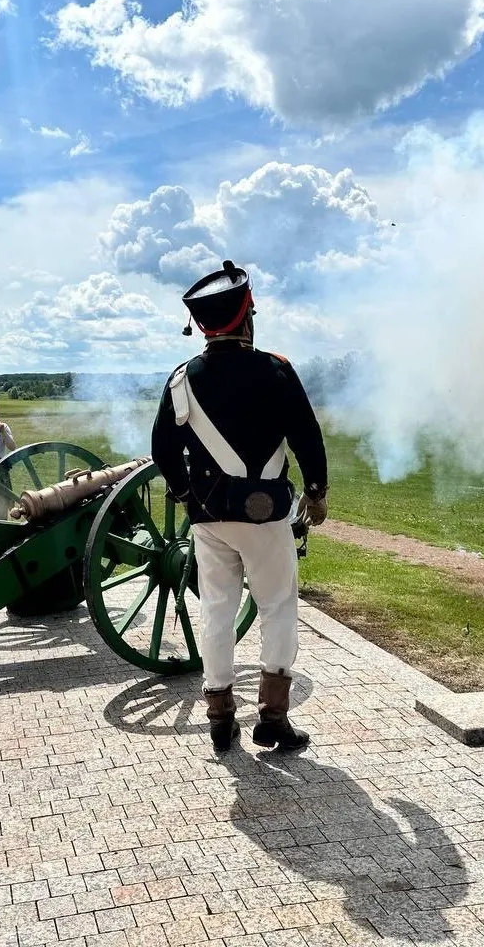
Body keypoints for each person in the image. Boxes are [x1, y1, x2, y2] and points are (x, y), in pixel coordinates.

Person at [151, 259, 329, 753]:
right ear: (246, 315)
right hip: (265, 515)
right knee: (277, 609)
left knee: (217, 612)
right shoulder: (276, 371)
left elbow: (164, 452)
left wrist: (187, 495)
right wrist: (316, 490)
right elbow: (307, 437)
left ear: (205, 325)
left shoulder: (181, 380)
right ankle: (272, 719)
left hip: (209, 518)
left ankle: (219, 716)